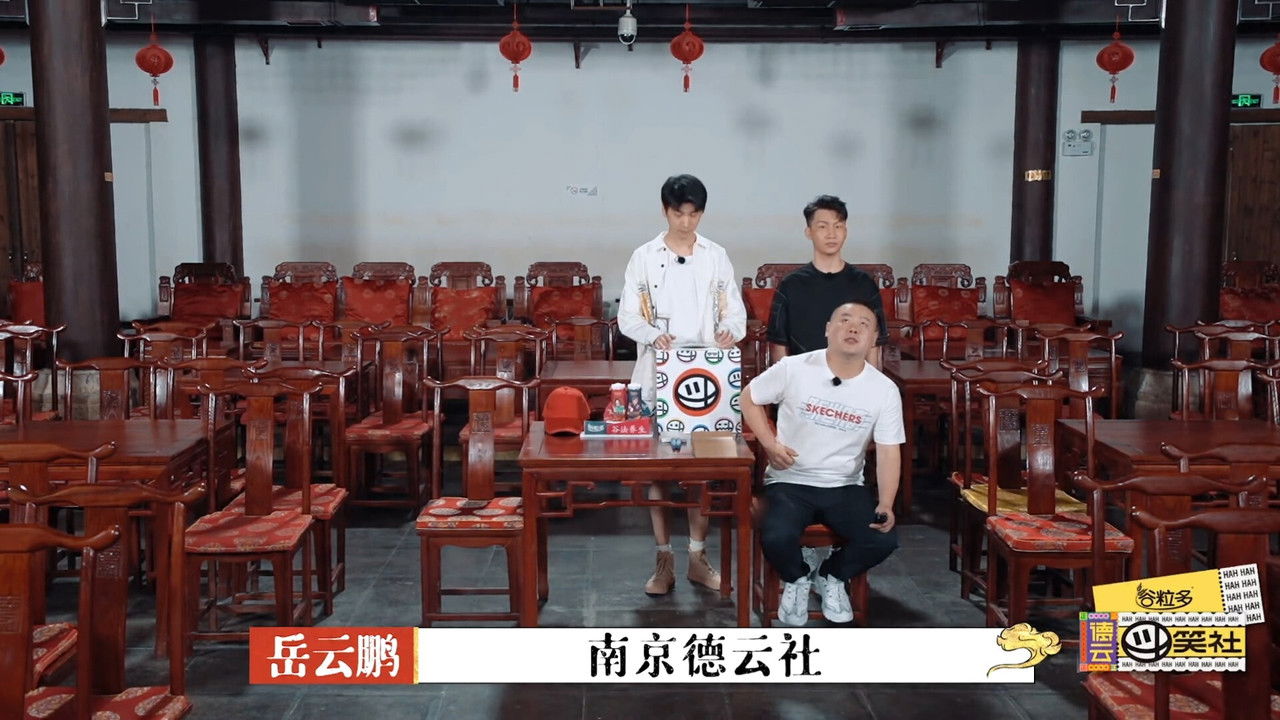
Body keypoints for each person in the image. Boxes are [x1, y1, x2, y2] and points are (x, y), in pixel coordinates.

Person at [617, 173, 747, 596]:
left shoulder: (716, 256)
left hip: (706, 375)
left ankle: (697, 556)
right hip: (658, 374)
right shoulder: (644, 256)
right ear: (665, 211)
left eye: (694, 214)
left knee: (702, 470)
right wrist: (653, 334)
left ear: (702, 214)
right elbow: (627, 316)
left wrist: (729, 331)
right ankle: (663, 560)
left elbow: (735, 312)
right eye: (679, 214)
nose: (686, 222)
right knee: (658, 469)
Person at [741, 301, 904, 625]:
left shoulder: (884, 390)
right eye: (844, 320)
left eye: (864, 324)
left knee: (883, 538)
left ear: (873, 339)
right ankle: (797, 577)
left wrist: (886, 503)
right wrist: (770, 444)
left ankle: (831, 574)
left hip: (844, 486)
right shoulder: (794, 368)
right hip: (789, 482)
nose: (853, 327)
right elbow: (749, 397)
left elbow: (888, 451)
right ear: (828, 329)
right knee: (776, 536)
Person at [767, 195, 890, 366]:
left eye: (838, 226)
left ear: (845, 231)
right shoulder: (791, 285)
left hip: (851, 377)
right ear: (808, 232)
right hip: (804, 377)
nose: (831, 234)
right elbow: (779, 345)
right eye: (822, 226)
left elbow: (874, 344)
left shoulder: (864, 284)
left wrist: (871, 381)